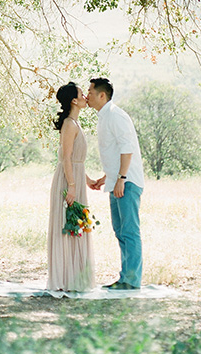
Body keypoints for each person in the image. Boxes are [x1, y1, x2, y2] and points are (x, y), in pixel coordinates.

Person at [86, 77, 145, 290]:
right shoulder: (104, 117)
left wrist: (121, 178)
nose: (87, 96)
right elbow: (114, 153)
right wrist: (107, 177)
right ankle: (125, 278)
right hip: (116, 181)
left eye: (90, 93)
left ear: (102, 95)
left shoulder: (116, 116)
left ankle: (131, 280)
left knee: (129, 231)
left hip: (127, 183)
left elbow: (126, 149)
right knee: (120, 231)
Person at [46, 82, 97, 292]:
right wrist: (73, 186)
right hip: (68, 182)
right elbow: (66, 158)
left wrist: (87, 180)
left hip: (75, 179)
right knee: (67, 227)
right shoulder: (69, 123)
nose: (86, 96)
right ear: (74, 101)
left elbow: (75, 160)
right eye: (82, 94)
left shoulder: (75, 123)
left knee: (77, 226)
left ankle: (75, 278)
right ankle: (64, 279)